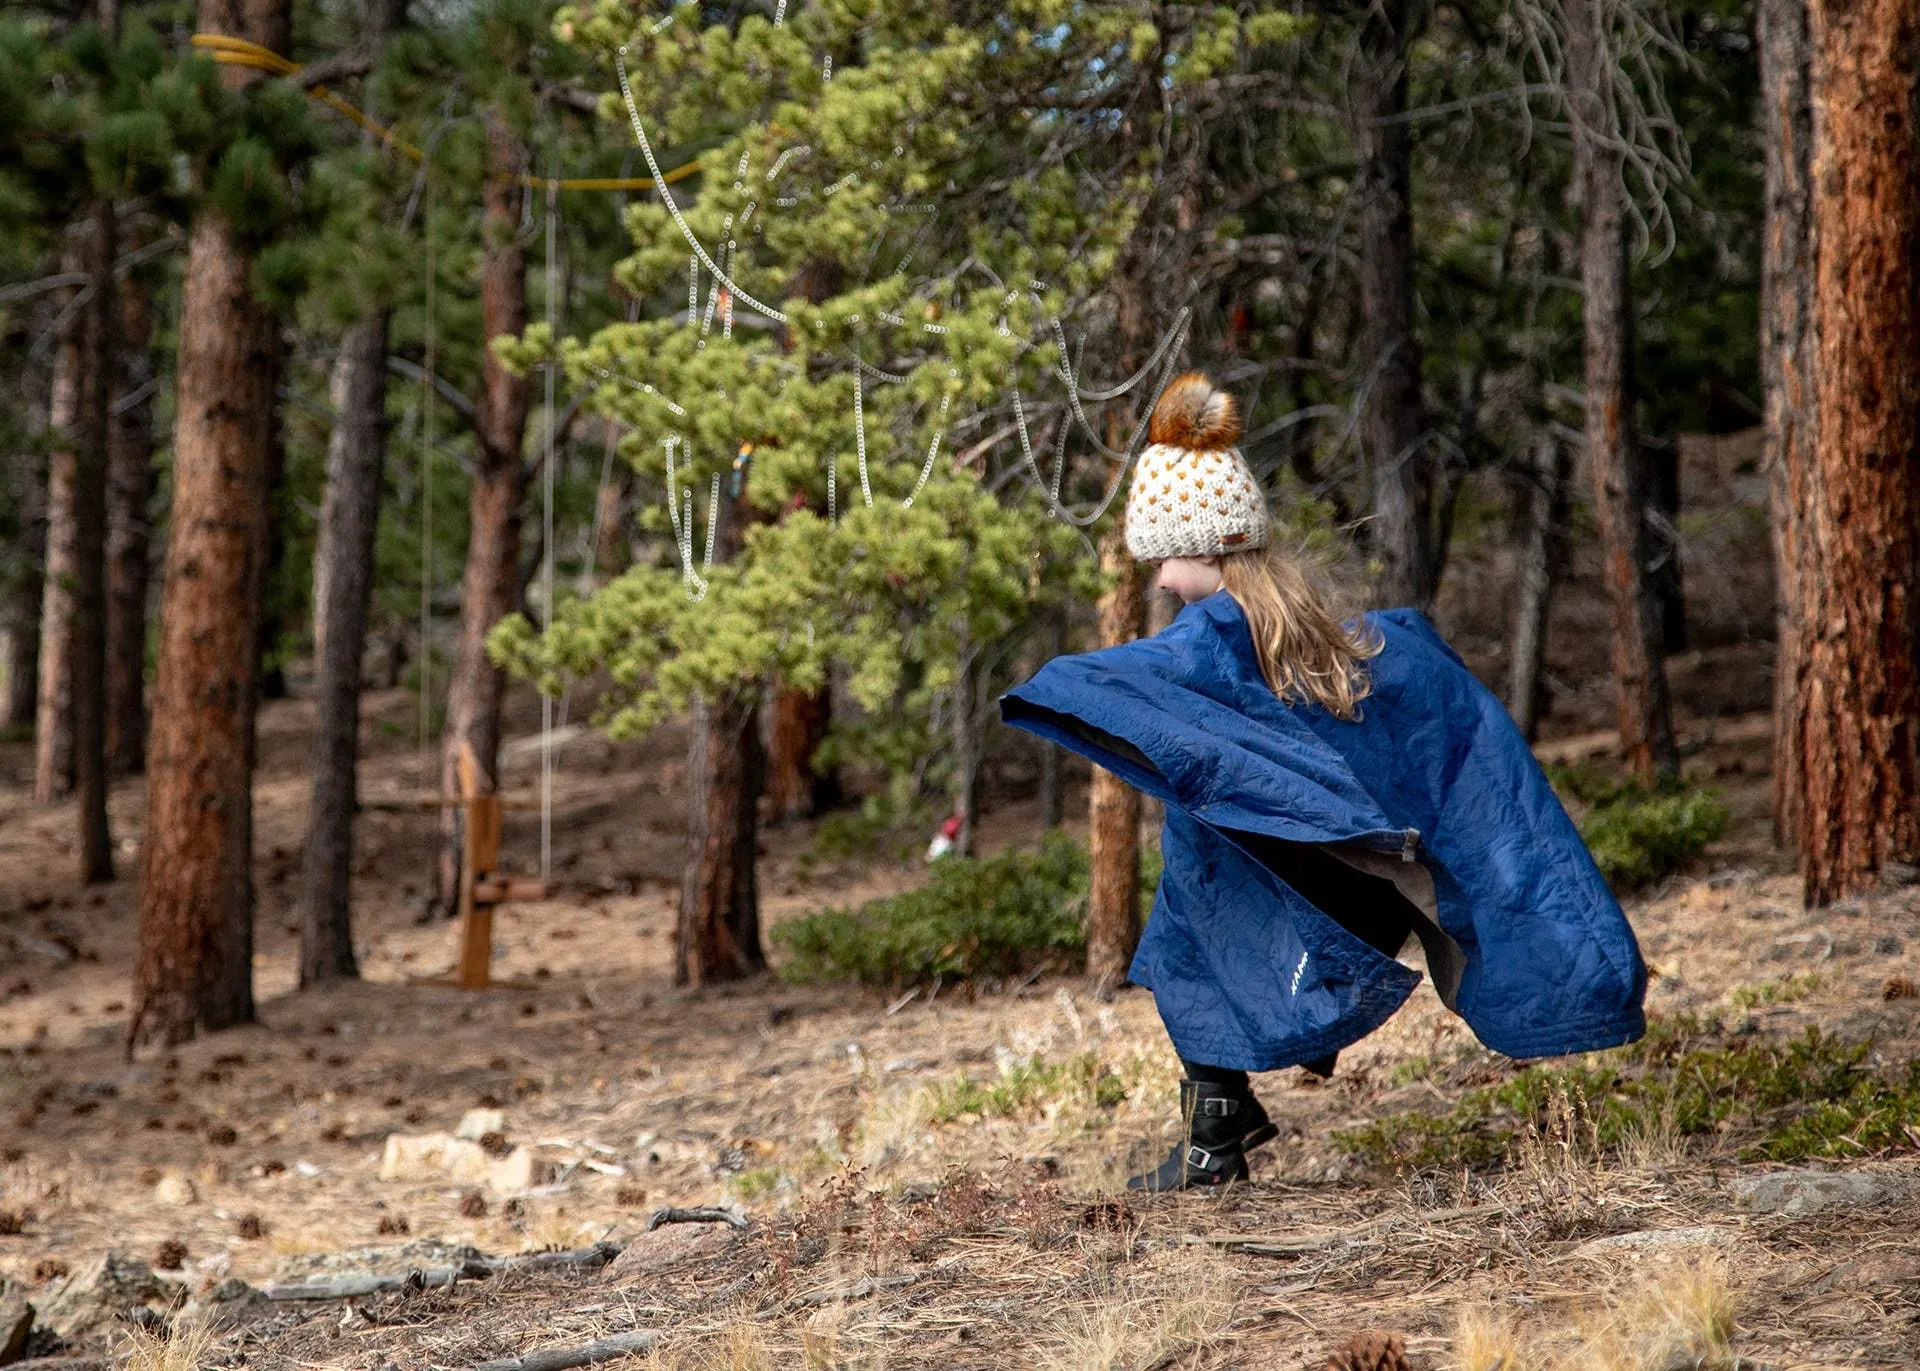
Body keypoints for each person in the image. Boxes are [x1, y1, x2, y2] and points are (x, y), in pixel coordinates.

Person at [1000, 373, 1646, 1192]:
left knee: (1190, 923)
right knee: (1187, 910)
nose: (1159, 579)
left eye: (1164, 557)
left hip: (1324, 877)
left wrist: (1049, 689)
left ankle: (1213, 1140)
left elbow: (1139, 680)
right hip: (1355, 870)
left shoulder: (1214, 639)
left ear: (1205, 546)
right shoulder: (1334, 636)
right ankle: (1219, 1124)